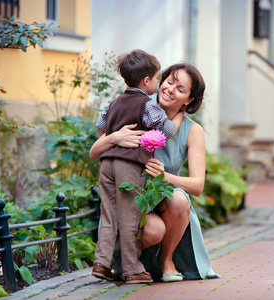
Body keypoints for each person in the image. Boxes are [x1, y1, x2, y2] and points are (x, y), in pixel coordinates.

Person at [90, 63, 220, 282]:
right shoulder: (138, 109)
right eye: (169, 82)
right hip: (131, 201)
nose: (170, 89)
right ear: (159, 81)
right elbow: (94, 152)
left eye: (181, 89)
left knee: (179, 199)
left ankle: (167, 260)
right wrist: (114, 137)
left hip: (163, 201)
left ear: (189, 99)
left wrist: (164, 176)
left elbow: (197, 186)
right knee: (153, 231)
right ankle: (127, 263)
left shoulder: (193, 131)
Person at [91, 49, 183, 284]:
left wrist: (116, 137)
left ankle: (101, 262)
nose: (158, 83)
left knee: (109, 215)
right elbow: (168, 131)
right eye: (156, 78)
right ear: (146, 81)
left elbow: (102, 128)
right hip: (128, 166)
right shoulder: (147, 104)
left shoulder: (115, 102)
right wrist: (180, 115)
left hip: (107, 163)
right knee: (130, 216)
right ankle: (132, 269)